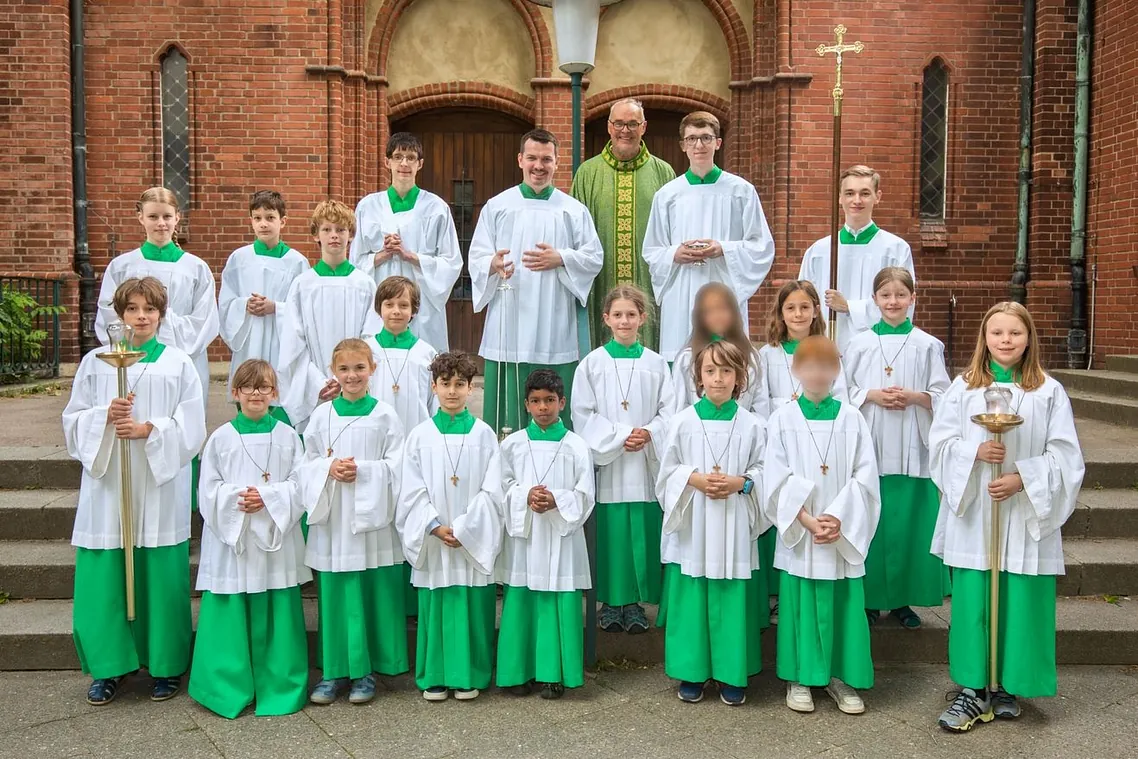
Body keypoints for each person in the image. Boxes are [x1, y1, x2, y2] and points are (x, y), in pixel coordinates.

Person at [930, 302, 1084, 732]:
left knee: (1017, 599)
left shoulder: (1047, 391)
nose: (1005, 340)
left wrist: (1022, 477)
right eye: (997, 333)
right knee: (976, 602)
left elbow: (1066, 457)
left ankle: (1007, 686)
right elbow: (939, 446)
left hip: (1021, 512)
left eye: (1015, 333)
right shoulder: (963, 389)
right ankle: (973, 689)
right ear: (984, 338)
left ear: (1029, 338)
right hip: (976, 512)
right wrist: (974, 452)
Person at [63, 276, 206, 705]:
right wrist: (103, 418)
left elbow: (193, 426)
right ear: (119, 315)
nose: (141, 317)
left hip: (157, 485)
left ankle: (165, 665)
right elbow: (73, 419)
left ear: (161, 315)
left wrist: (150, 429)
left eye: (149, 309)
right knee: (104, 577)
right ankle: (109, 667)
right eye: (132, 310)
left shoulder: (178, 364)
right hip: (109, 486)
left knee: (160, 576)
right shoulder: (96, 363)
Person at [763, 335, 880, 716]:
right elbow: (775, 476)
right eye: (808, 365)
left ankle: (840, 677)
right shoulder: (782, 418)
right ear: (796, 370)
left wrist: (839, 518)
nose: (817, 373)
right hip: (804, 529)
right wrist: (807, 519)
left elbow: (866, 476)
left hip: (839, 529)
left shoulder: (852, 418)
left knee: (843, 605)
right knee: (799, 603)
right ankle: (800, 677)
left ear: (837, 369)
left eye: (826, 365)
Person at [189, 359, 309, 718]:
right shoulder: (221, 438)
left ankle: (280, 684)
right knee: (229, 608)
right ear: (235, 393)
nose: (256, 394)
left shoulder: (288, 437)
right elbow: (207, 490)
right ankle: (227, 687)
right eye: (248, 387)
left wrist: (269, 499)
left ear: (275, 394)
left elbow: (300, 484)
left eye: (264, 388)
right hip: (235, 542)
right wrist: (241, 499)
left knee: (278, 608)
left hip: (275, 538)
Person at [469, 129, 604, 434]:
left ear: (557, 163)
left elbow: (594, 257)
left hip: (554, 321)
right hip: (511, 317)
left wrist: (563, 258)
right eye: (532, 158)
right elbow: (477, 255)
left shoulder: (572, 210)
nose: (538, 166)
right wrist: (492, 264)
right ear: (520, 159)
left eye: (546, 159)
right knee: (508, 416)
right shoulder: (498, 206)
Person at [297, 339, 407, 705]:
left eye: (360, 367)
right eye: (344, 369)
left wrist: (362, 470)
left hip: (369, 523)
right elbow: (304, 465)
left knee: (368, 593)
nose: (352, 375)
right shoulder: (321, 416)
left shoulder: (385, 415)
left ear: (372, 369)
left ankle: (365, 672)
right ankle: (332, 671)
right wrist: (328, 468)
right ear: (334, 372)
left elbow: (398, 466)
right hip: (333, 519)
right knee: (335, 595)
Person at [656, 340, 767, 706]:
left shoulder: (752, 424)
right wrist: (693, 479)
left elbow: (766, 471)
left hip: (734, 523)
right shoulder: (682, 422)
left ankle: (732, 673)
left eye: (725, 371)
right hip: (695, 524)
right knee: (693, 595)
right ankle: (692, 672)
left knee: (730, 598)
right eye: (709, 371)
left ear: (739, 378)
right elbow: (666, 471)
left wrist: (742, 483)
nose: (717, 378)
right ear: (697, 378)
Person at [843, 267, 952, 629]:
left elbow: (944, 396)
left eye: (900, 295)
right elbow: (841, 392)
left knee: (908, 524)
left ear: (912, 298)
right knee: (872, 521)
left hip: (912, 447)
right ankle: (871, 598)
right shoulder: (857, 344)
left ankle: (905, 599)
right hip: (871, 444)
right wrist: (872, 394)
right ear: (874, 299)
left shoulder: (927, 345)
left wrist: (915, 397)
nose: (893, 301)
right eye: (886, 295)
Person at [396, 351, 504, 701]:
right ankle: (436, 675)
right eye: (445, 384)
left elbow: (493, 489)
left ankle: (470, 673)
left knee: (472, 602)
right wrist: (433, 525)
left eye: (460, 384)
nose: (452, 391)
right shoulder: (419, 435)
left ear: (472, 388)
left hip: (468, 536)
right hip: (435, 535)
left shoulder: (485, 435)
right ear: (434, 386)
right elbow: (410, 488)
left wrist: (466, 528)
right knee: (436, 601)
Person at [571, 285, 673, 634]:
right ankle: (610, 604)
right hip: (611, 464)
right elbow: (582, 413)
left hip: (643, 461)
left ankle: (634, 604)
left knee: (639, 533)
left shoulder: (656, 363)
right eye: (618, 314)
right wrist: (619, 437)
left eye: (631, 314)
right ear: (606, 319)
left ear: (642, 318)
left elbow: (669, 411)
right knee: (612, 535)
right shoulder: (592, 364)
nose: (625, 320)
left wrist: (650, 433)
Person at [642, 111, 775, 363]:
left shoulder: (741, 191)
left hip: (724, 284)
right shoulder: (667, 195)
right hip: (682, 289)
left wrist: (723, 248)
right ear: (683, 145)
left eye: (705, 138)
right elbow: (652, 250)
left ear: (718, 143)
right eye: (691, 139)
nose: (699, 145)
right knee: (683, 358)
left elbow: (762, 246)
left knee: (725, 359)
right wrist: (674, 254)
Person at [496, 369, 595, 699]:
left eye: (550, 400)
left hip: (559, 537)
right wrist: (525, 496)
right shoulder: (512, 445)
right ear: (526, 404)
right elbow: (501, 486)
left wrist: (557, 500)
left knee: (557, 600)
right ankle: (517, 672)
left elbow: (585, 493)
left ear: (562, 402)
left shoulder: (576, 445)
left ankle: (555, 674)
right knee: (522, 599)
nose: (543, 407)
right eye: (536, 401)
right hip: (526, 536)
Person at [95, 187, 219, 414]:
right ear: (140, 217)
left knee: (181, 420)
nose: (161, 223)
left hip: (185, 357)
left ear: (177, 217)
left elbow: (205, 318)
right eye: (153, 216)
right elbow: (109, 313)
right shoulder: (123, 266)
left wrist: (167, 324)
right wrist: (134, 340)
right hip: (136, 357)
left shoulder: (196, 268)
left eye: (167, 216)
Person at [570, 98, 676, 351]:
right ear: (609, 126)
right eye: (619, 123)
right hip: (600, 281)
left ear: (644, 127)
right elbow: (573, 233)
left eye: (632, 124)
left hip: (649, 281)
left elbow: (674, 233)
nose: (625, 130)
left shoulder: (664, 173)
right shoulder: (587, 173)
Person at [352, 132, 463, 353]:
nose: (404, 163)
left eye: (411, 157)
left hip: (422, 305)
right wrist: (382, 254)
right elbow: (355, 261)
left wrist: (410, 256)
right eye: (398, 156)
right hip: (380, 301)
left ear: (420, 164)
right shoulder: (368, 206)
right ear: (387, 162)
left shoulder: (436, 208)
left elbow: (451, 263)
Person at [278, 200, 382, 429]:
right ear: (316, 235)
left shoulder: (364, 284)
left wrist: (347, 375)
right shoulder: (303, 285)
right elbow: (294, 344)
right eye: (327, 229)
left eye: (341, 229)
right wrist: (320, 382)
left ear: (351, 235)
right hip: (316, 386)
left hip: (355, 381)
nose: (334, 235)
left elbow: (371, 337)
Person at [798, 165, 915, 354]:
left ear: (878, 197)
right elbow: (802, 302)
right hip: (826, 349)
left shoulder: (895, 249)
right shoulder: (819, 251)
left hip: (879, 350)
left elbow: (902, 303)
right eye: (850, 193)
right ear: (840, 198)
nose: (857, 200)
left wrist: (849, 307)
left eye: (865, 193)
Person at [217, 190, 310, 423]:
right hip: (249, 340)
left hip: (281, 342)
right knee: (249, 391)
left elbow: (303, 308)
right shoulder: (239, 259)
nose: (263, 224)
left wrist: (276, 307)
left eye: (270, 217)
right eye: (257, 218)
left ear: (283, 221)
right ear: (251, 221)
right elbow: (226, 303)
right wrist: (244, 305)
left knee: (280, 398)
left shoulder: (297, 262)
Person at [755, 280, 850, 420]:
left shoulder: (827, 352)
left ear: (816, 311)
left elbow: (840, 397)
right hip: (780, 428)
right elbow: (761, 403)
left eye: (805, 307)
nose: (798, 314)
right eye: (790, 308)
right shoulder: (767, 354)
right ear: (780, 313)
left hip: (820, 427)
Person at [670, 281, 762, 414]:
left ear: (734, 312)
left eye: (723, 309)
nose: (717, 316)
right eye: (709, 311)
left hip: (741, 430)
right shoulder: (687, 358)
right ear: (699, 317)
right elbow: (679, 406)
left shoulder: (751, 355)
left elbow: (760, 405)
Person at [368, 275, 438, 431]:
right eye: (389, 305)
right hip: (375, 430)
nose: (396, 311)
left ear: (414, 310)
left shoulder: (426, 353)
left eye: (404, 305)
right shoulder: (366, 350)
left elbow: (434, 401)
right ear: (379, 309)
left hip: (416, 431)